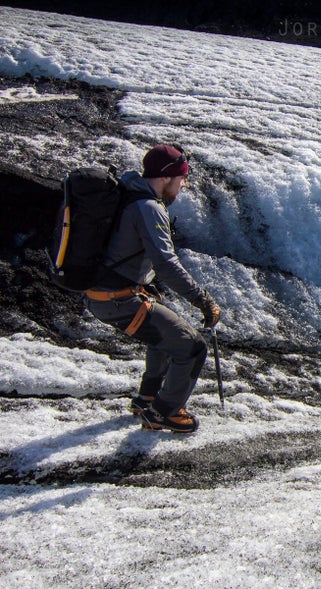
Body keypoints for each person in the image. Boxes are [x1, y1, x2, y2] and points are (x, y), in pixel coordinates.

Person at [84, 144, 220, 433]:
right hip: (118, 301)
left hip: (103, 295)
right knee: (192, 346)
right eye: (182, 179)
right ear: (167, 176)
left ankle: (147, 397)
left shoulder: (127, 195)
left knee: (166, 333)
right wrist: (204, 301)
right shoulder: (148, 207)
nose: (183, 185)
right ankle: (164, 412)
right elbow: (166, 263)